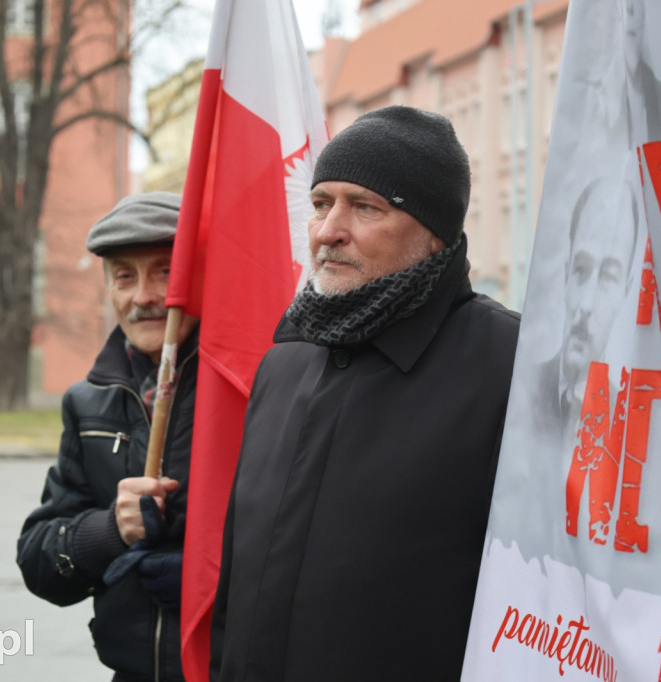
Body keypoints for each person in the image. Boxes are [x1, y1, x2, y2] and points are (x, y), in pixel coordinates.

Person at [209, 106, 522, 681]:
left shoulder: (514, 367)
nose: (329, 230)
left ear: (433, 233)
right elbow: (236, 580)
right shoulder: (283, 362)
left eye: (365, 206)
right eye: (322, 203)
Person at [17, 192, 198, 682]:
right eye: (124, 275)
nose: (143, 296)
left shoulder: (254, 391)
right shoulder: (87, 403)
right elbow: (39, 561)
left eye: (165, 271)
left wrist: (213, 582)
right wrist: (109, 533)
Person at [531, 175, 639, 442]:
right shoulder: (521, 391)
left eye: (607, 277)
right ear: (566, 275)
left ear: (625, 293)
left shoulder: (630, 424)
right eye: (581, 270)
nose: (586, 305)